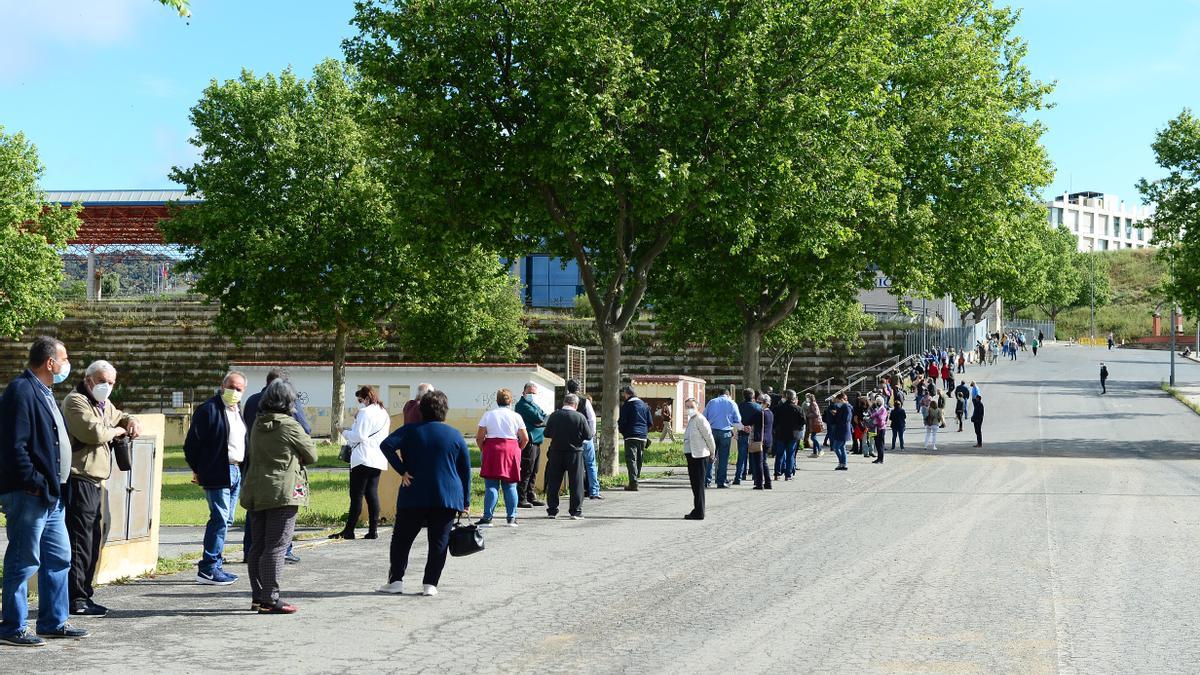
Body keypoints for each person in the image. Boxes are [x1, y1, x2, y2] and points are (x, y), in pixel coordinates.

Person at [0, 337, 89, 646]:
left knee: (59, 558)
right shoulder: (21, 391)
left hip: (52, 496)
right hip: (31, 494)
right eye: (64, 359)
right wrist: (35, 483)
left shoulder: (46, 392)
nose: (67, 365)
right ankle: (12, 627)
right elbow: (14, 447)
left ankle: (52, 621)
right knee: (24, 560)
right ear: (50, 362)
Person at [62, 359, 140, 617]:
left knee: (93, 539)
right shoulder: (76, 402)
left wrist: (130, 421)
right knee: (79, 541)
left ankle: (85, 593)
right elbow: (92, 433)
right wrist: (116, 429)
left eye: (111, 383)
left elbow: (119, 416)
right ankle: (75, 598)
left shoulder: (102, 404)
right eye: (102, 381)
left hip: (95, 481)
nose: (106, 386)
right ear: (88, 380)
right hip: (78, 478)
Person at [377, 391, 471, 597]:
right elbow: (465, 470)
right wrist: (466, 500)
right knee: (439, 541)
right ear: (445, 411)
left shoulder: (409, 430)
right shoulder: (455, 435)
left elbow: (385, 445)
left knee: (402, 539)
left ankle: (396, 581)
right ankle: (430, 584)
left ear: (420, 410)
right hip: (447, 496)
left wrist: (402, 470)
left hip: (414, 494)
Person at [240, 380, 317, 614]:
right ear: (289, 401)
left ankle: (259, 596)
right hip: (283, 492)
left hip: (256, 489)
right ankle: (270, 600)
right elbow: (312, 454)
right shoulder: (290, 425)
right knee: (277, 546)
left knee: (258, 545)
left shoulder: (257, 424)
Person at [183, 371, 247, 586]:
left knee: (226, 520)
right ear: (222, 386)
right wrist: (199, 469)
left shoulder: (239, 411)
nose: (234, 392)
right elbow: (192, 445)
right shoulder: (209, 409)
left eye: (239, 389)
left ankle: (216, 563)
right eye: (231, 387)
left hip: (236, 470)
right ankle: (208, 567)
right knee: (219, 519)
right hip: (217, 471)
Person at [243, 368, 310, 563]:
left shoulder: (252, 401)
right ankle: (284, 550)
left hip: (254, 460)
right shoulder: (290, 402)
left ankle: (250, 549)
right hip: (282, 465)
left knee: (255, 510)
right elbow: (305, 429)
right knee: (281, 512)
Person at [332, 386, 390, 539]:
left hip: (363, 458)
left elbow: (360, 436)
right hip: (377, 458)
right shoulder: (384, 413)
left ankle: (349, 530)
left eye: (360, 400)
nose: (359, 404)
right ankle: (373, 530)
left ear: (366, 398)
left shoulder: (365, 412)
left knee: (356, 495)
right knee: (372, 494)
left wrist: (343, 431)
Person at [475, 389, 528, 528]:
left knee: (491, 485)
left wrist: (483, 449)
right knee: (510, 485)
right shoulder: (516, 416)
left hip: (492, 449)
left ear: (497, 400)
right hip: (511, 449)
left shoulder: (488, 415)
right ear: (510, 401)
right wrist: (518, 449)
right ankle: (511, 518)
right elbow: (525, 438)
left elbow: (480, 437)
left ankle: (487, 518)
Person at [542, 394, 591, 520]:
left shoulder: (554, 415)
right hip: (575, 452)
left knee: (554, 481)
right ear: (575, 404)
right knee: (576, 481)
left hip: (556, 451)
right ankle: (575, 511)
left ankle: (552, 510)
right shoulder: (580, 417)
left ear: (564, 402)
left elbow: (546, 433)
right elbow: (588, 435)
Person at [565, 379, 601, 500]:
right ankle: (594, 491)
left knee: (574, 466)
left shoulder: (564, 401)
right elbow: (592, 419)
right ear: (579, 388)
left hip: (570, 439)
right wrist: (591, 434)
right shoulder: (585, 401)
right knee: (590, 464)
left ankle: (576, 490)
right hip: (585, 438)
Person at [513, 382, 547, 508]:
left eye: (534, 393)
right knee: (526, 470)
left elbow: (544, 416)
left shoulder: (533, 404)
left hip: (537, 441)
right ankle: (521, 498)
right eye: (530, 392)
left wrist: (541, 421)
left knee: (534, 470)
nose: (532, 395)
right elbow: (539, 418)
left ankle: (531, 496)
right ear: (524, 393)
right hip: (529, 441)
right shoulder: (522, 405)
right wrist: (540, 421)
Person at [681, 398, 715, 520]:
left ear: (698, 408)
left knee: (699, 485)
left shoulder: (700, 419)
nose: (689, 409)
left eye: (692, 406)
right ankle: (697, 509)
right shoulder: (692, 420)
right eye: (687, 407)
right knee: (695, 485)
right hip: (691, 455)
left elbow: (709, 437)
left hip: (700, 456)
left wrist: (712, 451)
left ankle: (699, 512)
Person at [703, 387, 741, 487]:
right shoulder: (732, 403)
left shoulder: (711, 402)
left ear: (718, 395)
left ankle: (706, 481)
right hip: (726, 433)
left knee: (710, 456)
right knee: (724, 458)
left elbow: (704, 417)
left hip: (712, 432)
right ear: (728, 394)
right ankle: (721, 481)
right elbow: (738, 420)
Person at [617, 385, 652, 491]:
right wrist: (644, 432)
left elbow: (622, 421)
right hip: (642, 436)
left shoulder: (626, 405)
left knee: (631, 459)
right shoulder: (644, 405)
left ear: (627, 394)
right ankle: (636, 478)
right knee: (639, 458)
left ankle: (633, 482)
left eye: (624, 394)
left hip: (630, 435)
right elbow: (650, 422)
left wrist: (623, 432)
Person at [771, 390, 804, 481]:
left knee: (779, 455)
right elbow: (803, 421)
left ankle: (777, 474)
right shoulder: (798, 409)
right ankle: (788, 475)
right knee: (790, 455)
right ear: (793, 398)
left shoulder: (778, 408)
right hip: (793, 434)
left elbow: (774, 421)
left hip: (780, 433)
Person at [735, 389, 763, 484]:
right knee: (755, 457)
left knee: (741, 457)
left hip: (742, 433)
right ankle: (755, 478)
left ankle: (739, 477)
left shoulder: (739, 406)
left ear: (744, 396)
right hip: (754, 435)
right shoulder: (758, 407)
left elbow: (736, 420)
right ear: (754, 396)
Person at [750, 393, 773, 490]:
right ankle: (768, 483)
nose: (758, 404)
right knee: (764, 461)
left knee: (758, 462)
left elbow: (748, 421)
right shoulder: (770, 413)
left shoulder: (760, 413)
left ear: (765, 403)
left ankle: (759, 483)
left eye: (760, 402)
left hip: (759, 440)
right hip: (768, 439)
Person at [826, 393, 852, 470]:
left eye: (838, 401)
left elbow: (845, 419)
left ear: (842, 400)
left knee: (836, 447)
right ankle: (843, 464)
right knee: (841, 448)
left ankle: (842, 463)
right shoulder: (843, 407)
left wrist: (836, 416)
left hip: (843, 430)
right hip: (841, 430)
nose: (837, 403)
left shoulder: (846, 407)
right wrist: (836, 414)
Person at [869, 395, 888, 464]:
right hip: (875, 428)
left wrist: (875, 415)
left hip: (881, 428)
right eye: (877, 401)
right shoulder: (876, 409)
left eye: (879, 401)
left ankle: (881, 459)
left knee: (880, 444)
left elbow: (881, 418)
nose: (878, 403)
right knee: (876, 443)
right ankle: (878, 458)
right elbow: (871, 416)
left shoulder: (883, 409)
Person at [803, 392, 824, 457]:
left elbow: (816, 414)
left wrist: (808, 415)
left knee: (813, 437)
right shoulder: (812, 404)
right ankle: (815, 452)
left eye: (808, 398)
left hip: (815, 423)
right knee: (813, 437)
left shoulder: (813, 404)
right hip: (813, 422)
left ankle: (820, 449)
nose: (807, 399)